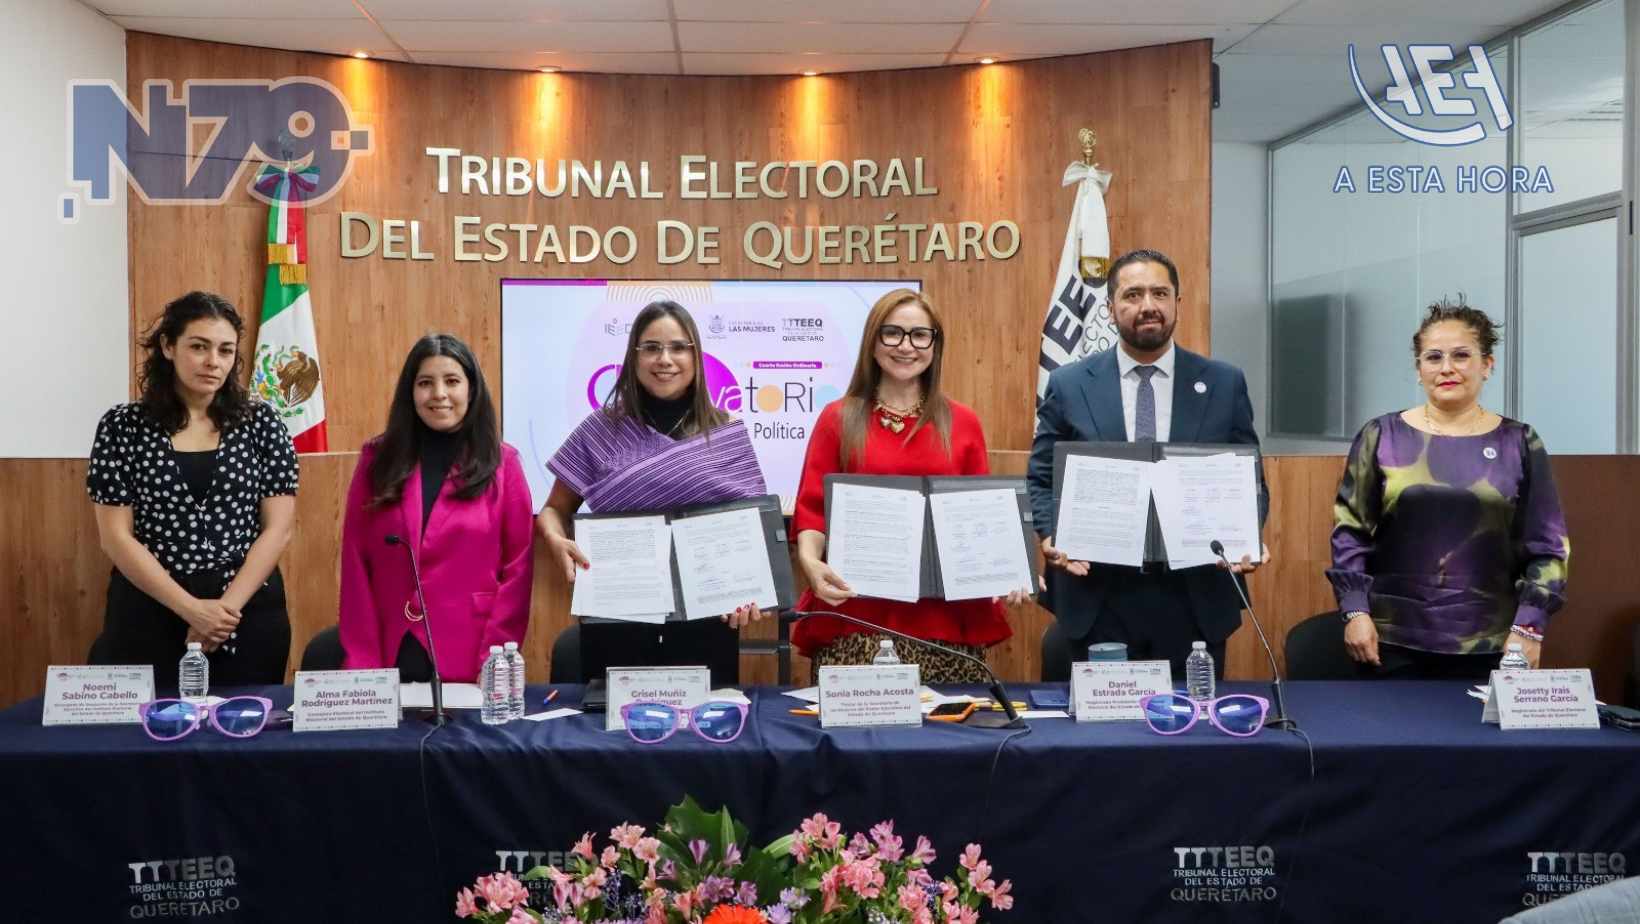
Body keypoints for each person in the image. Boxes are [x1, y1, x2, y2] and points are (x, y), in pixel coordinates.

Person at [1029, 249, 1268, 682]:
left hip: (1192, 596)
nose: (1148, 306)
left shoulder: (1223, 382)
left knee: (1189, 737)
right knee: (1096, 742)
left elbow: (1248, 479)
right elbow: (1042, 476)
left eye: (1160, 292)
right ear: (1111, 308)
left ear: (1178, 301)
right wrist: (1049, 535)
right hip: (1096, 594)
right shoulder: (1068, 384)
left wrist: (1246, 537)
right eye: (1133, 294)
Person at [1330, 299, 1568, 680]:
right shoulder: (1382, 436)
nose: (1447, 368)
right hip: (1390, 642)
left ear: (1487, 365)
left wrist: (1530, 627)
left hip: (1493, 644)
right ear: (1418, 368)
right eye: (1433, 357)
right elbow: (1351, 533)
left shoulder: (1519, 442)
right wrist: (1354, 611)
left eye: (1461, 355)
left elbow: (1548, 547)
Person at [792, 288, 1020, 683]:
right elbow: (813, 510)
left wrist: (1005, 570)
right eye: (892, 333)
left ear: (935, 344)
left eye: (919, 335)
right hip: (856, 614)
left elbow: (981, 520)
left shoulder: (962, 423)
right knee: (855, 739)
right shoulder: (837, 419)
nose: (906, 346)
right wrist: (811, 564)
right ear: (873, 341)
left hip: (945, 622)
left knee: (949, 737)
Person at [538, 300, 767, 686]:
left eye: (678, 347)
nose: (665, 359)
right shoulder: (601, 429)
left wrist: (748, 588)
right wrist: (555, 539)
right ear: (634, 356)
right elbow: (553, 509)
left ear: (696, 356)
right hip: (617, 614)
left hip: (707, 619)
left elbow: (753, 527)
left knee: (702, 735)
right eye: (652, 347)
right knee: (609, 734)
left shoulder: (725, 430)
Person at [87, 291, 298, 689]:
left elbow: (278, 529)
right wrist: (191, 611)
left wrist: (220, 615)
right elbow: (115, 537)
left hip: (245, 615)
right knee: (146, 740)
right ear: (168, 346)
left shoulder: (262, 422)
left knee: (242, 740)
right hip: (149, 611)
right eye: (199, 347)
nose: (213, 362)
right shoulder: (122, 426)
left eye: (225, 350)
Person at [338, 334, 534, 683]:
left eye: (452, 381)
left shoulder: (504, 464)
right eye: (425, 383)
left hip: (471, 652)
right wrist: (362, 663)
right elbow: (355, 563)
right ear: (410, 393)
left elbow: (517, 570)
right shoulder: (377, 460)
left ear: (471, 390)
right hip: (389, 649)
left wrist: (492, 663)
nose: (439, 394)